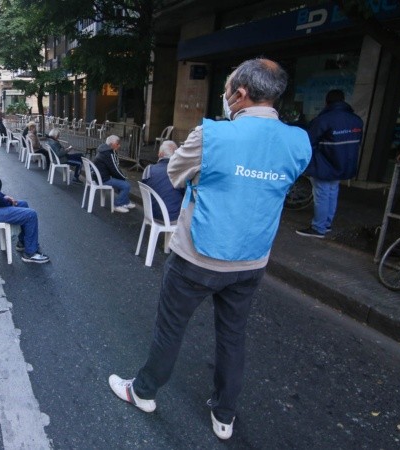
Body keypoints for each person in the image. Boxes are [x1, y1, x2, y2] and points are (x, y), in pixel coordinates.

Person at [107, 58, 311, 441]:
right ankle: (224, 414)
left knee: (171, 328)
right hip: (251, 258)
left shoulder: (212, 135)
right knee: (233, 336)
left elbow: (174, 173)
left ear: (240, 94)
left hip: (197, 255)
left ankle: (144, 392)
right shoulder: (299, 141)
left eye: (228, 89)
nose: (225, 96)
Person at [296, 89, 364, 238]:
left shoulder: (324, 120)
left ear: (327, 102)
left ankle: (318, 228)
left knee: (321, 194)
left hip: (324, 164)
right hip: (344, 164)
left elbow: (309, 142)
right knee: (332, 192)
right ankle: (326, 224)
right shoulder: (356, 120)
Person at [141, 140, 184, 222]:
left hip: (151, 214)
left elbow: (145, 185)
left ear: (159, 154)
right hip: (172, 218)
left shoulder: (148, 169)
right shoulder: (179, 172)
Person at [94, 135, 135, 213]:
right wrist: (124, 177)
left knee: (121, 182)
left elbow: (113, 169)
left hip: (99, 177)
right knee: (126, 185)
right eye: (117, 144)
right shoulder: (109, 154)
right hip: (104, 179)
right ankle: (117, 204)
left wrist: (121, 178)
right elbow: (115, 169)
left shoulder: (103, 151)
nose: (119, 146)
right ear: (111, 144)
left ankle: (125, 202)